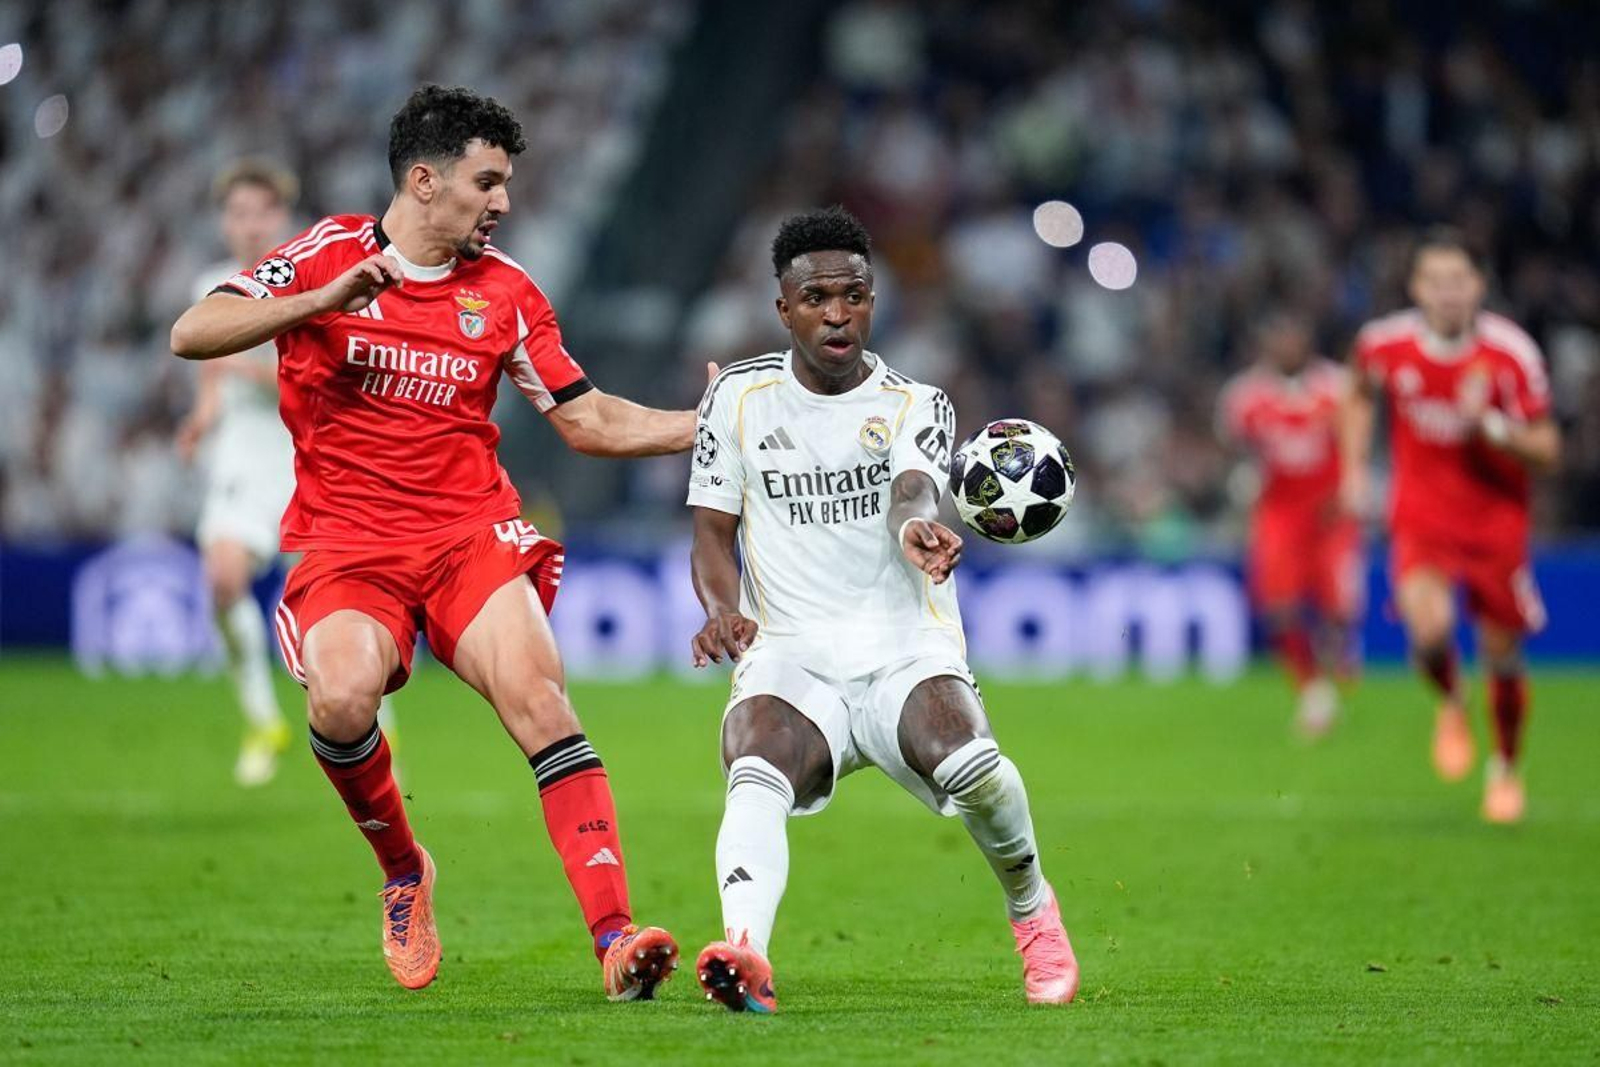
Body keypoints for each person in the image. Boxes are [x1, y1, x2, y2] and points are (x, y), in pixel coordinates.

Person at [171, 85, 699, 994]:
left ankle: (616, 940)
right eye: (486, 182)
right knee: (340, 702)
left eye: (505, 184)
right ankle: (405, 869)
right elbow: (194, 331)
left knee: (541, 700)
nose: (502, 202)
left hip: (468, 535)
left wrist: (710, 420)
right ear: (424, 180)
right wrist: (321, 300)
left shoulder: (507, 292)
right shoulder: (328, 254)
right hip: (347, 546)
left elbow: (592, 419)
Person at [684, 206, 1077, 1013]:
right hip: (792, 653)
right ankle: (746, 954)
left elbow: (910, 490)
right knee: (752, 758)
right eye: (818, 296)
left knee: (973, 766)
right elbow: (711, 536)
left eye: (855, 295)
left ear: (874, 299)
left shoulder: (917, 403)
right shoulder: (736, 399)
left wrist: (917, 529)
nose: (838, 313)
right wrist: (723, 608)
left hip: (904, 647)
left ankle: (1033, 909)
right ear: (783, 307)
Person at [177, 160, 400, 786]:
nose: (249, 226)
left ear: (282, 215)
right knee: (222, 577)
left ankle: (378, 727)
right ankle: (260, 719)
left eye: (261, 212)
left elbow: (326, 375)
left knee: (342, 610)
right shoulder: (212, 283)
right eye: (238, 214)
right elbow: (209, 374)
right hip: (242, 453)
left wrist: (251, 373)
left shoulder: (314, 276)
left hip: (310, 450)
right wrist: (200, 419)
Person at [1341, 228, 1561, 823]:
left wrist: (1491, 424)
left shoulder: (1510, 354)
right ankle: (1452, 700)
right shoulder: (1383, 344)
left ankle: (1506, 770)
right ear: (1416, 287)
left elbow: (1548, 447)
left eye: (1458, 281)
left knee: (1501, 653)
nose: (1447, 293)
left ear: (1479, 286)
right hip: (1421, 516)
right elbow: (1358, 395)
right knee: (1429, 631)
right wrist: (1356, 470)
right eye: (1435, 281)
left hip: (1495, 520)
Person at [1217, 309, 1363, 738]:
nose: (1287, 346)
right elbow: (1233, 447)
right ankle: (1313, 693)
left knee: (1338, 610)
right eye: (1279, 338)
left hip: (1330, 514)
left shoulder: (1336, 388)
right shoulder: (1245, 396)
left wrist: (1354, 485)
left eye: (1294, 337)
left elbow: (1355, 440)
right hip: (1279, 514)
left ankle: (1340, 646)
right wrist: (1243, 478)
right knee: (1279, 608)